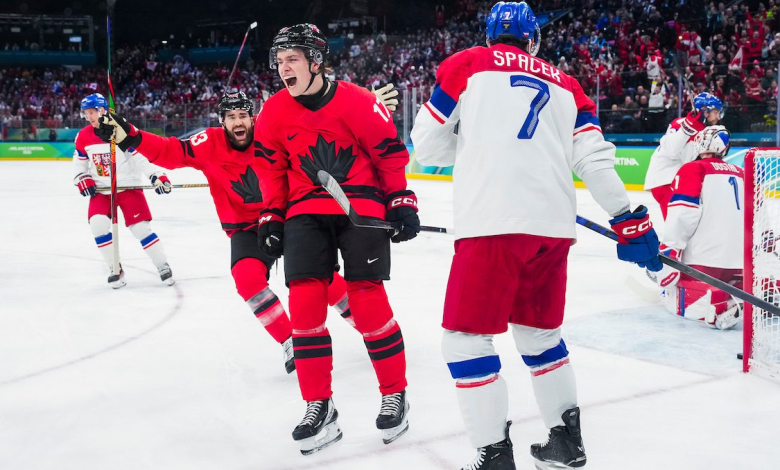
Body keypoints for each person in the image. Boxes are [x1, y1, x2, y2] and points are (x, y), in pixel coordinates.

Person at [410, 3, 662, 469]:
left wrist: (468, 137)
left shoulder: (467, 64)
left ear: (490, 36)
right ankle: (566, 443)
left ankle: (493, 456)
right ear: (534, 41)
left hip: (491, 223)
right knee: (541, 336)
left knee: (466, 341)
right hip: (552, 230)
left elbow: (425, 146)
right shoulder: (568, 85)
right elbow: (594, 161)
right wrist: (627, 218)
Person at [94, 91, 360, 373]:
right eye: (231, 117)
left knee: (322, 280)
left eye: (243, 115)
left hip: (287, 217)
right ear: (222, 122)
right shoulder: (208, 142)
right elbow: (170, 151)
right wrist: (131, 136)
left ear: (253, 118)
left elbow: (315, 133)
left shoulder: (272, 132)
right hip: (245, 228)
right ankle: (290, 340)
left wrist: (352, 110)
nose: (238, 122)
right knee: (247, 280)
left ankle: (367, 324)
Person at [254, 23, 419, 455]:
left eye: (291, 59)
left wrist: (401, 201)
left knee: (366, 298)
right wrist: (271, 215)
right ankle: (318, 406)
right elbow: (271, 167)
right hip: (305, 208)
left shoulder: (358, 102)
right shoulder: (272, 111)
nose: (282, 68)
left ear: (316, 60)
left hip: (359, 205)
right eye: (279, 61)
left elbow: (389, 152)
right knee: (305, 302)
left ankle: (394, 393)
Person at [73, 92, 174, 289]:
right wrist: (82, 179)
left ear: (103, 110)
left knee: (140, 229)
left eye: (92, 112)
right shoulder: (83, 136)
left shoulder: (120, 129)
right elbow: (79, 164)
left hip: (128, 187)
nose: (89, 117)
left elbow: (140, 156)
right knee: (98, 225)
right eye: (86, 113)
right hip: (101, 190)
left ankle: (162, 265)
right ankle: (114, 268)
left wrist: (156, 176)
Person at [656, 125, 744, 330]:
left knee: (671, 294)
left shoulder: (693, 169)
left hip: (702, 262)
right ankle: (747, 297)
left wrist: (671, 249)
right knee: (743, 288)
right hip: (740, 263)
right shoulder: (742, 172)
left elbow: (682, 214)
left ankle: (716, 304)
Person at [644, 92, 722, 219]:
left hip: (677, 181)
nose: (718, 117)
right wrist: (688, 128)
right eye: (716, 112)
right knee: (676, 226)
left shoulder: (703, 131)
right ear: (705, 111)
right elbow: (670, 149)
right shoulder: (680, 123)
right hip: (665, 181)